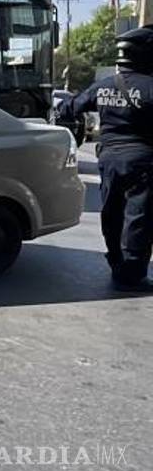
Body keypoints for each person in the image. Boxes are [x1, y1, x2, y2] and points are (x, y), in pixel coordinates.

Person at [59, 25, 153, 291]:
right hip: (143, 162)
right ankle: (132, 275)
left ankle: (116, 263)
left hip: (109, 160)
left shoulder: (104, 86)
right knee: (138, 217)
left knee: (112, 213)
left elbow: (68, 108)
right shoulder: (150, 87)